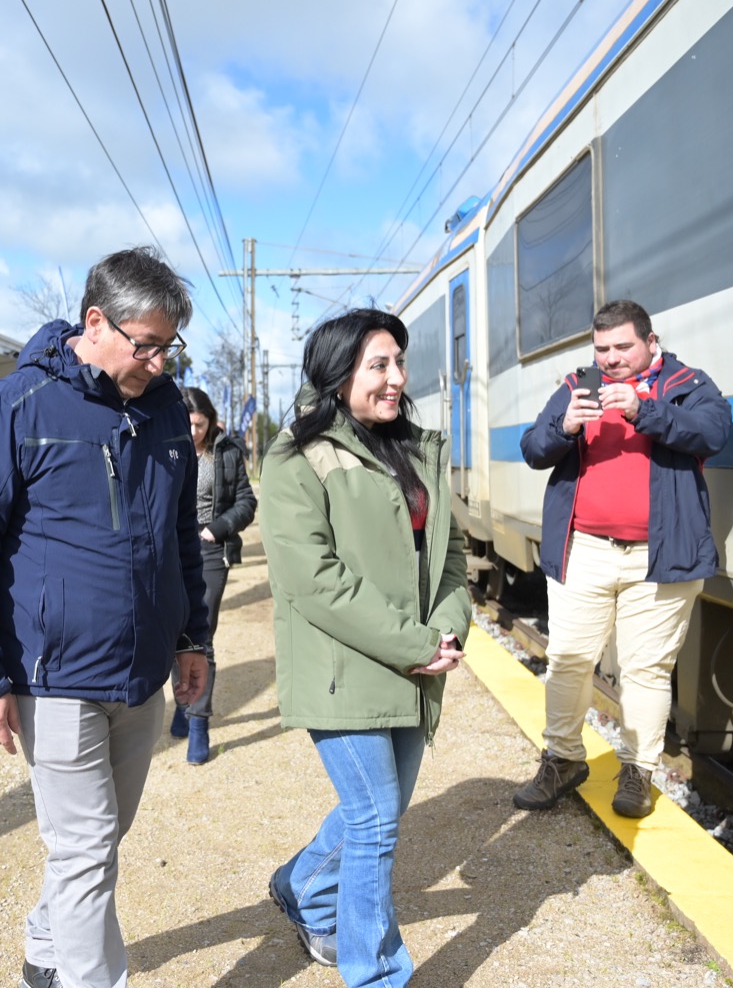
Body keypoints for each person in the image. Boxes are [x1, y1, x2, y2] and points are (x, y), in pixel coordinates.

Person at [0, 246, 210, 988]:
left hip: (143, 675)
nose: (156, 360)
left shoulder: (169, 412)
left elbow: (181, 538)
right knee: (84, 852)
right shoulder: (11, 408)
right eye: (144, 344)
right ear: (95, 321)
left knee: (105, 837)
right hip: (51, 679)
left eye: (166, 345)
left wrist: (192, 638)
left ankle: (45, 949)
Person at [259, 308, 471, 986]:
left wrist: (450, 627)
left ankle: (304, 884)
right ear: (336, 371)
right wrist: (415, 642)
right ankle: (377, 975)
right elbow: (313, 581)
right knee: (377, 820)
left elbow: (453, 555)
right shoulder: (297, 455)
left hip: (413, 662)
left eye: (399, 363)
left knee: (378, 810)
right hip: (340, 669)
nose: (396, 378)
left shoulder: (416, 448)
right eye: (378, 364)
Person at [513, 299, 731, 819]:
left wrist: (643, 409)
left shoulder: (688, 384)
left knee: (645, 672)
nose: (610, 359)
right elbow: (533, 448)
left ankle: (637, 771)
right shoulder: (577, 386)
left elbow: (713, 434)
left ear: (650, 343)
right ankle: (562, 760)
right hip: (583, 550)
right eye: (602, 349)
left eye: (622, 347)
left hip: (661, 557)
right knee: (567, 660)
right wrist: (563, 427)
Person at [168, 385, 255, 765]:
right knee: (174, 631)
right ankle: (184, 700)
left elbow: (247, 502)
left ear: (211, 420)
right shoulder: (167, 444)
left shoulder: (228, 451)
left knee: (200, 634)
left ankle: (199, 722)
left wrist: (218, 527)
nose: (193, 432)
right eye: (187, 424)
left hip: (209, 549)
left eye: (200, 424)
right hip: (170, 549)